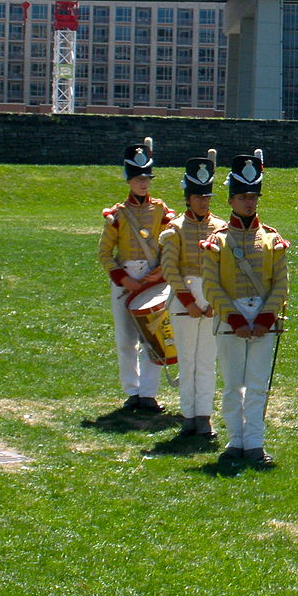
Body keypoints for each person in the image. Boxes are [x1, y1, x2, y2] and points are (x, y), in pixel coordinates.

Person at [202, 151, 289, 465]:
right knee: (232, 385)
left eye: (253, 197)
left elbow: (280, 283)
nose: (249, 203)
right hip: (231, 318)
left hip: (263, 316)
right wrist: (234, 316)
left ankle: (254, 443)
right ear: (230, 201)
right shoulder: (217, 242)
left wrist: (266, 315)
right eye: (242, 197)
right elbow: (211, 285)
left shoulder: (271, 239)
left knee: (257, 385)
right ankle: (234, 442)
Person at [97, 138, 175, 413]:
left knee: (151, 337)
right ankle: (132, 391)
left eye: (146, 178)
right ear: (129, 180)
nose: (143, 183)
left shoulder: (161, 210)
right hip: (125, 276)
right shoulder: (117, 214)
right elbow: (105, 252)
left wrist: (156, 274)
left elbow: (169, 245)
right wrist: (124, 279)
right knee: (126, 338)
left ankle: (149, 393)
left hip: (153, 276)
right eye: (138, 178)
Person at [159, 151, 227, 437]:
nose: (204, 201)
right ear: (188, 198)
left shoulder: (221, 227)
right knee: (187, 361)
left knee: (207, 363)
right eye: (199, 196)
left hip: (211, 297)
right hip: (185, 297)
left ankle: (205, 415)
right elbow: (170, 269)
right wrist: (189, 301)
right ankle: (189, 414)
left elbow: (225, 267)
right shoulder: (174, 229)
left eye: (207, 197)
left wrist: (214, 301)